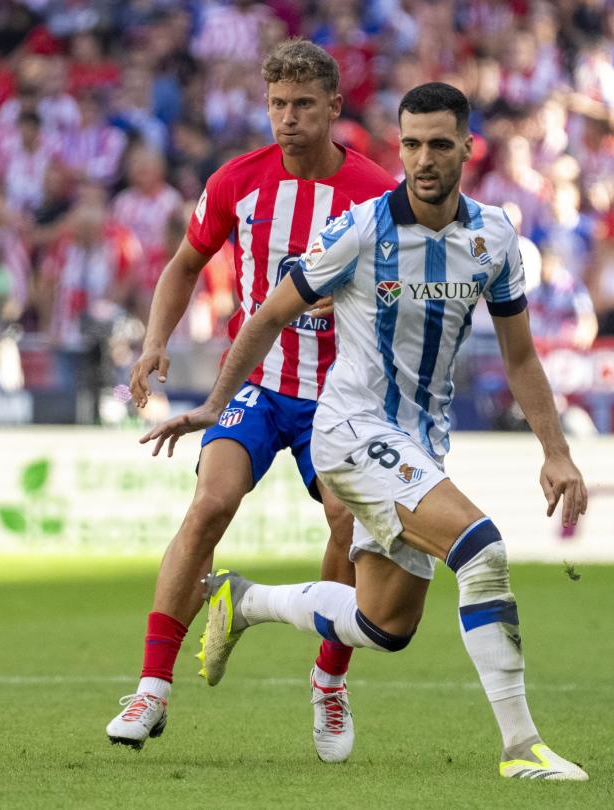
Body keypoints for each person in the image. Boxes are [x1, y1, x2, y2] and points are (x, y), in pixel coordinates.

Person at [141, 82, 589, 781]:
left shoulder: (495, 236)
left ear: (469, 148)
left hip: (420, 442)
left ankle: (243, 601)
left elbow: (521, 355)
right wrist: (211, 406)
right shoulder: (361, 229)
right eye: (411, 144)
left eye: (440, 144)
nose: (424, 159)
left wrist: (556, 452)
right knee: (482, 550)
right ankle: (521, 747)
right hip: (350, 430)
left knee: (386, 626)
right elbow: (264, 317)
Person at [106, 39, 396, 762]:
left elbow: (400, 296)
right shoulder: (238, 181)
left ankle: (329, 680)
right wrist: (154, 342)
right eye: (277, 104)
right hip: (258, 386)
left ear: (333, 106)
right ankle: (150, 689)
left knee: (344, 521)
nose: (288, 119)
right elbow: (183, 265)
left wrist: (359, 309)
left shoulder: (373, 193)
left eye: (302, 105)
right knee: (209, 504)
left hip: (340, 394)